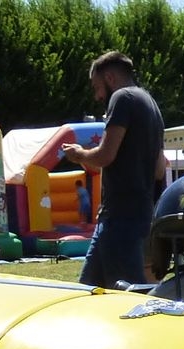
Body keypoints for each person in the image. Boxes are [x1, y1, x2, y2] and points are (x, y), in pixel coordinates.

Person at [60, 50, 165, 287]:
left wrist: (79, 154)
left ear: (110, 78)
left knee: (127, 293)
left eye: (97, 87)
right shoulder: (150, 104)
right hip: (136, 214)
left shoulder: (122, 98)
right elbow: (159, 169)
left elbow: (106, 156)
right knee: (89, 289)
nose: (97, 96)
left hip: (120, 217)